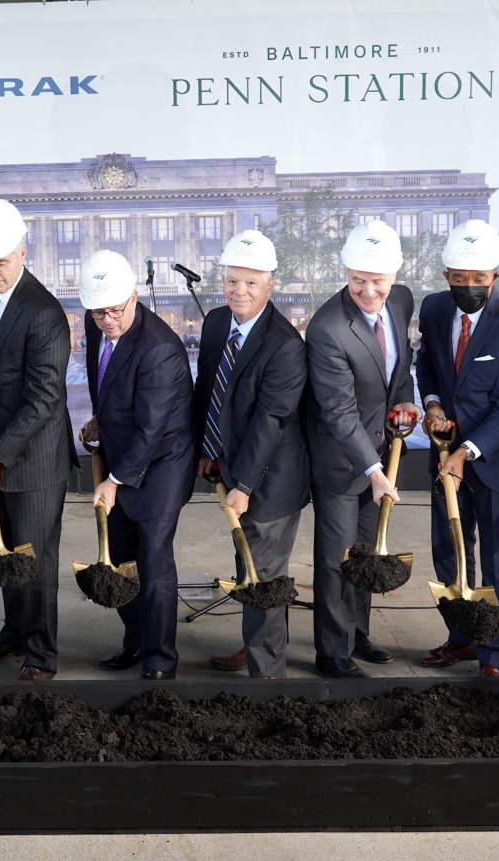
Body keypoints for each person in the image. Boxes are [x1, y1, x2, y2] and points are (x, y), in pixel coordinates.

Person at [0, 199, 76, 681]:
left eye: (1, 261)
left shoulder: (44, 313)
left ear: (22, 252)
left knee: (36, 561)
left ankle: (42, 655)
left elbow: (45, 399)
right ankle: (13, 635)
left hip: (35, 461)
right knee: (6, 551)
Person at [415, 220, 499, 677]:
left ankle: (494, 653)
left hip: (497, 461)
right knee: (449, 551)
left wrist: (465, 451)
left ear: (495, 277)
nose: (468, 285)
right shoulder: (432, 310)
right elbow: (427, 364)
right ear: (447, 273)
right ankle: (460, 638)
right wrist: (431, 405)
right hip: (444, 452)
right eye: (459, 277)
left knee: (497, 563)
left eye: (478, 278)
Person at [303, 220, 420, 678]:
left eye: (377, 282)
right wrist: (373, 471)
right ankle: (331, 653)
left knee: (368, 552)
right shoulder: (329, 328)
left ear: (394, 276)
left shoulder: (403, 299)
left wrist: (407, 396)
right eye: (358, 281)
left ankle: (357, 634)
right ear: (345, 272)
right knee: (337, 558)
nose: (368, 292)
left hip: (381, 451)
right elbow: (338, 412)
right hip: (340, 459)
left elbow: (401, 364)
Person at [194, 230, 309, 679]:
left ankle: (268, 675)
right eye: (232, 281)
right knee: (248, 563)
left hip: (271, 479)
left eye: (251, 283)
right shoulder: (217, 322)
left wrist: (243, 485)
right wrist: (207, 449)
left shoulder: (284, 345)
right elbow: (209, 390)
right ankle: (254, 646)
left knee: (265, 576)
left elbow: (271, 421)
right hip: (232, 464)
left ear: (270, 284)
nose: (239, 291)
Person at [78, 250, 195, 680]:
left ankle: (160, 660)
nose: (107, 320)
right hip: (122, 455)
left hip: (162, 464)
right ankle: (136, 641)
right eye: (97, 313)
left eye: (115, 310)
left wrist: (113, 480)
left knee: (153, 558)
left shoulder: (159, 348)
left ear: (133, 296)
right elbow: (109, 387)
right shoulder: (98, 330)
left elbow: (150, 430)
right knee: (122, 555)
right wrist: (100, 419)